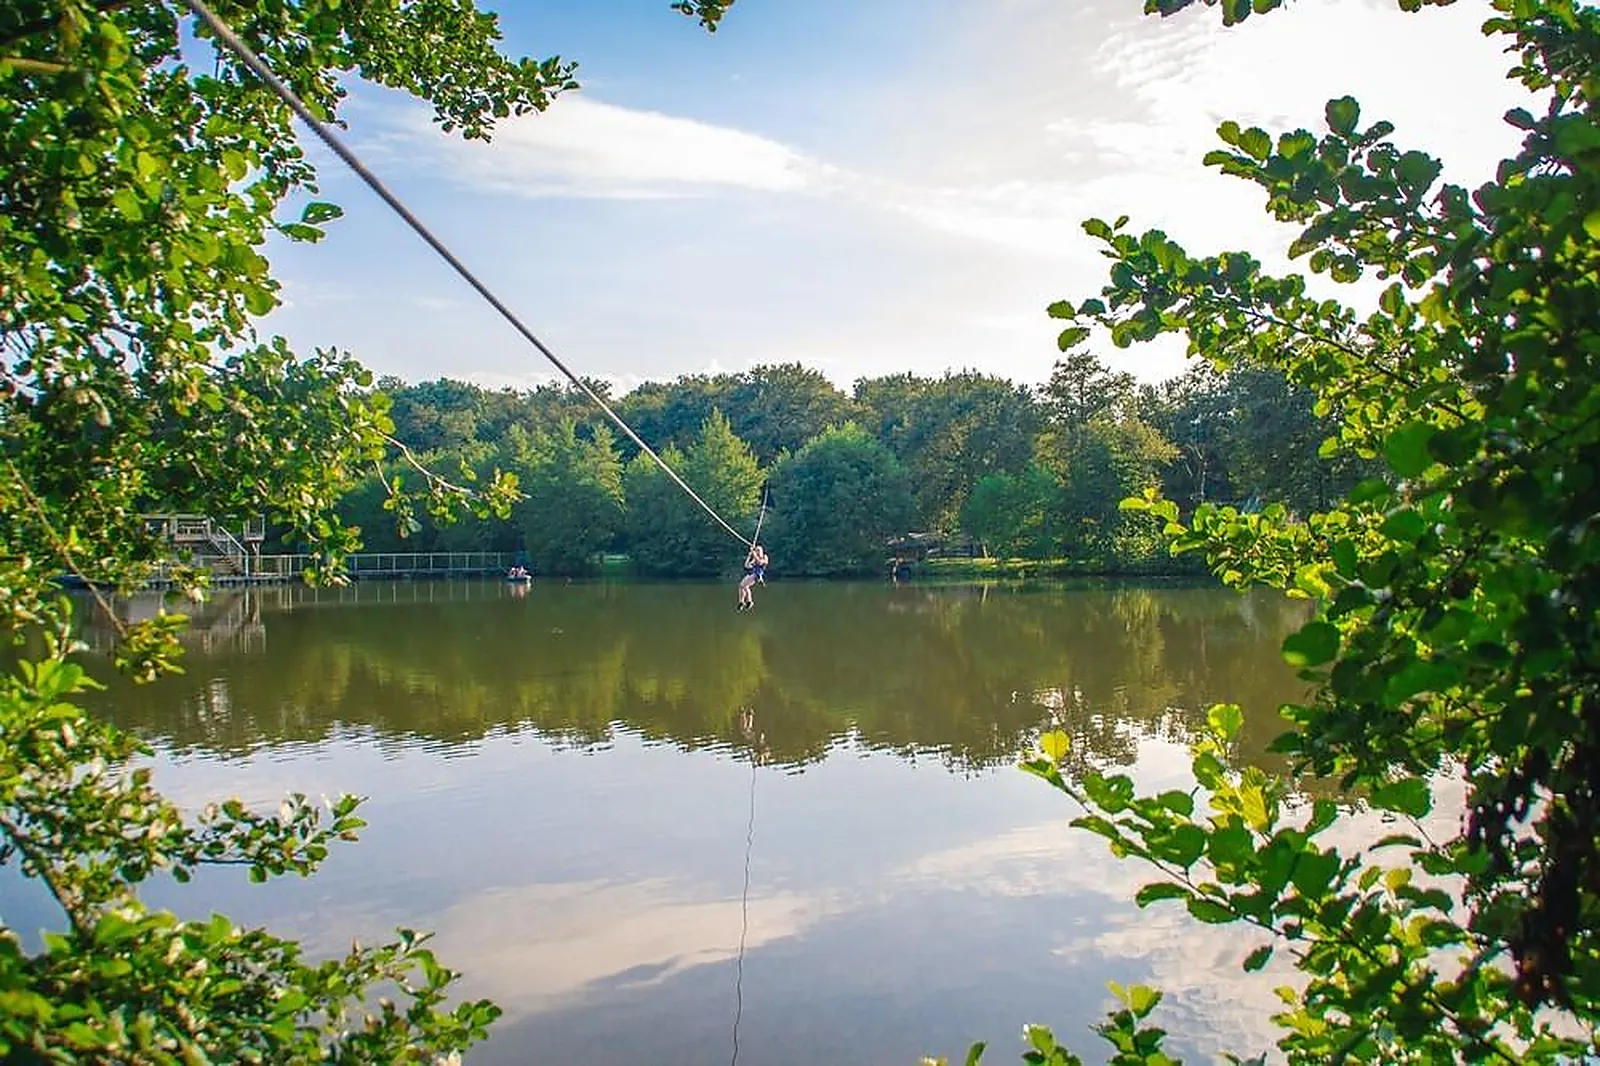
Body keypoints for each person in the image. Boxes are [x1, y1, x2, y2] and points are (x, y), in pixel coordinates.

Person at [737, 543, 767, 611]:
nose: (758, 552)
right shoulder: (754, 558)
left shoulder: (764, 557)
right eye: (757, 550)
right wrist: (749, 555)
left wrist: (753, 553)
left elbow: (760, 562)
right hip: (752, 574)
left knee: (742, 585)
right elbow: (746, 565)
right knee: (744, 586)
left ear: (762, 551)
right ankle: (747, 602)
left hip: (756, 575)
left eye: (759, 550)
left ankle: (743, 602)